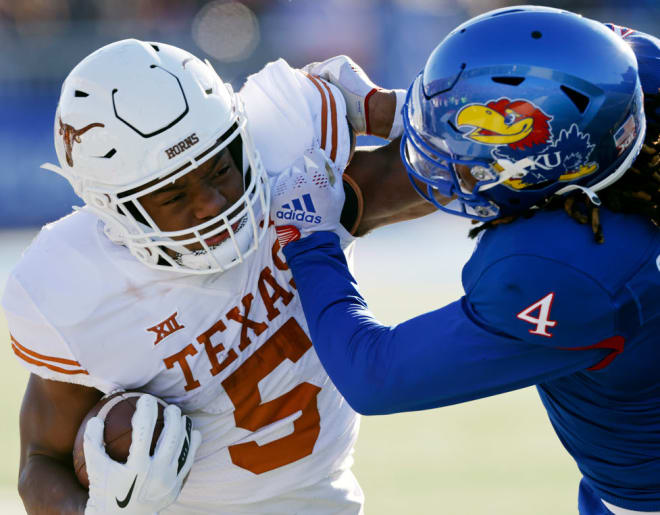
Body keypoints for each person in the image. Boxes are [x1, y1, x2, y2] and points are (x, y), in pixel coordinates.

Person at [2, 39, 429, 514]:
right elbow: (40, 460)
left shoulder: (287, 170)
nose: (210, 204)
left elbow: (436, 172)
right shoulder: (81, 288)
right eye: (172, 196)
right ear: (114, 209)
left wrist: (413, 113)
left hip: (328, 497)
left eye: (219, 169)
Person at [272, 6, 660, 514]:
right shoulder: (632, 84)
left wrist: (309, 238)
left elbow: (374, 376)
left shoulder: (567, 265)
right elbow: (550, 114)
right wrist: (395, 109)